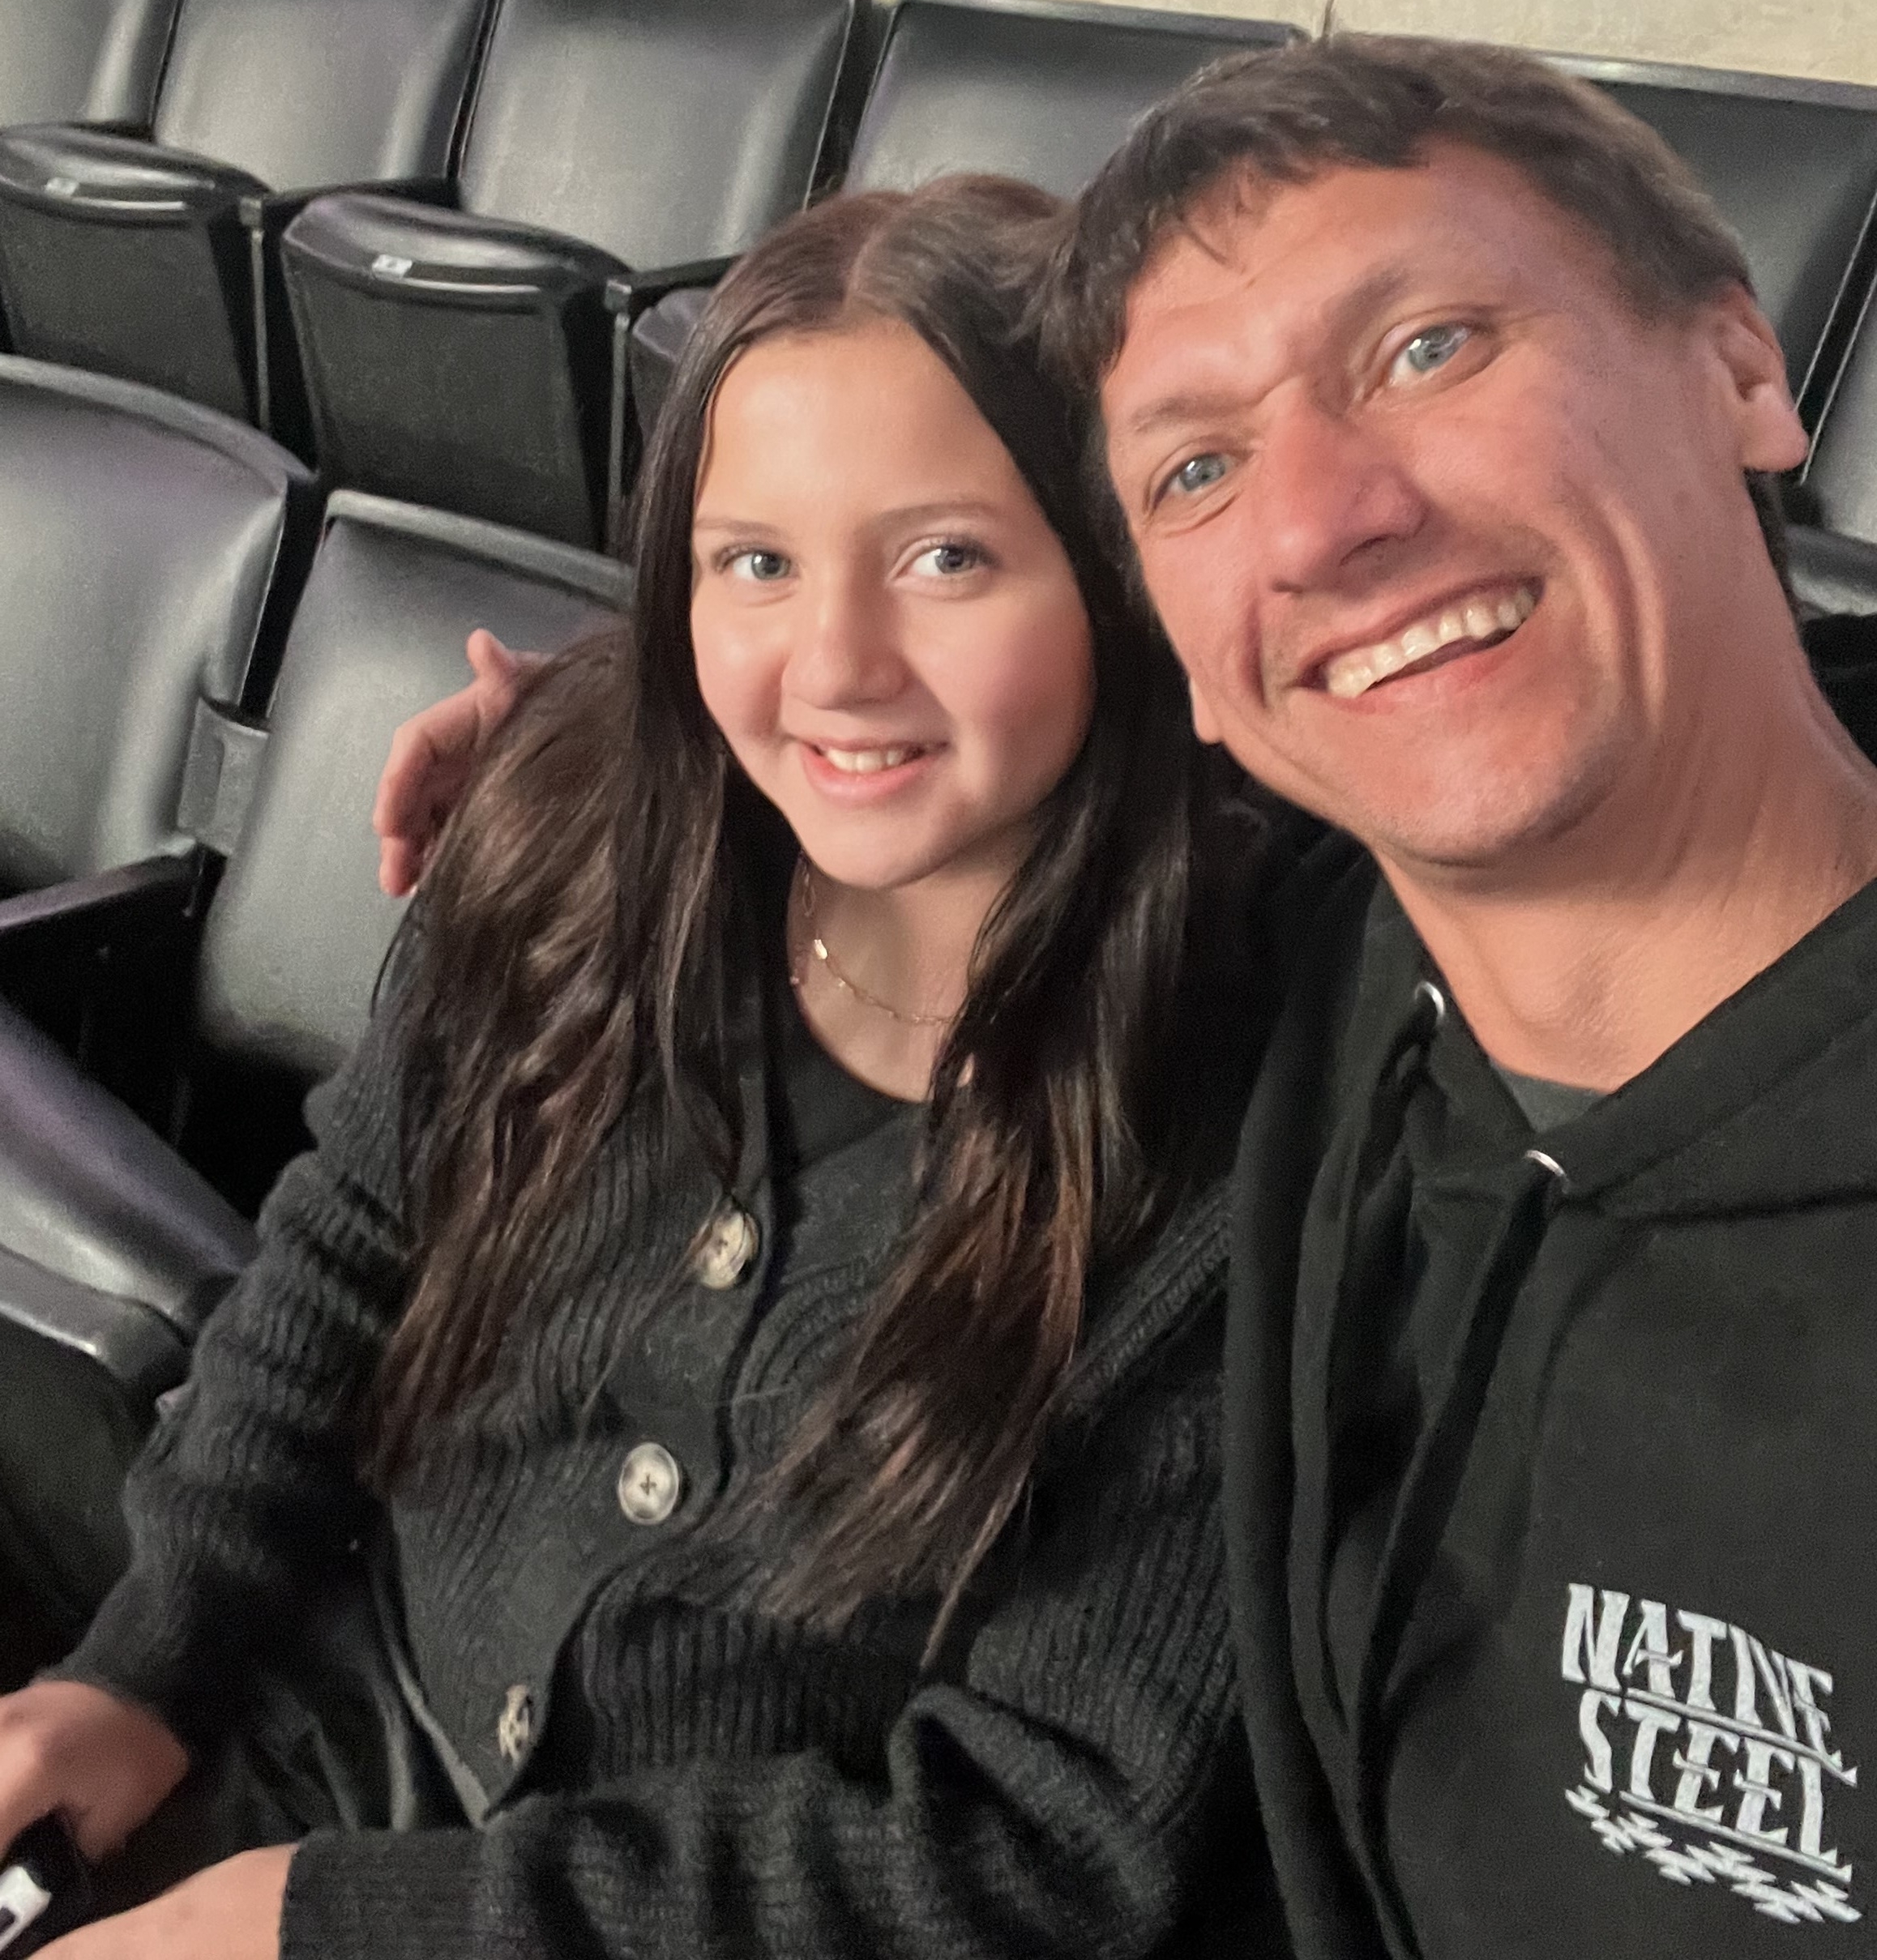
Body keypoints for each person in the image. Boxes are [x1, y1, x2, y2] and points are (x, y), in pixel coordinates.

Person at [0, 177, 1280, 1960]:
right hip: (336, 1734)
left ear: (1120, 572)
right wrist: (143, 1666)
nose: (833, 665)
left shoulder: (1240, 1134)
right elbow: (350, 1258)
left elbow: (1029, 1847)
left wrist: (338, 1924)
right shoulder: (579, 833)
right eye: (756, 563)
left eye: (946, 558)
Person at [1044, 33, 1877, 1956]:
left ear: (1744, 372)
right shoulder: (1309, 964)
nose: (1321, 522)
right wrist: (606, 763)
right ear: (1184, 660)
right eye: (1197, 468)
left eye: (1430, 348)